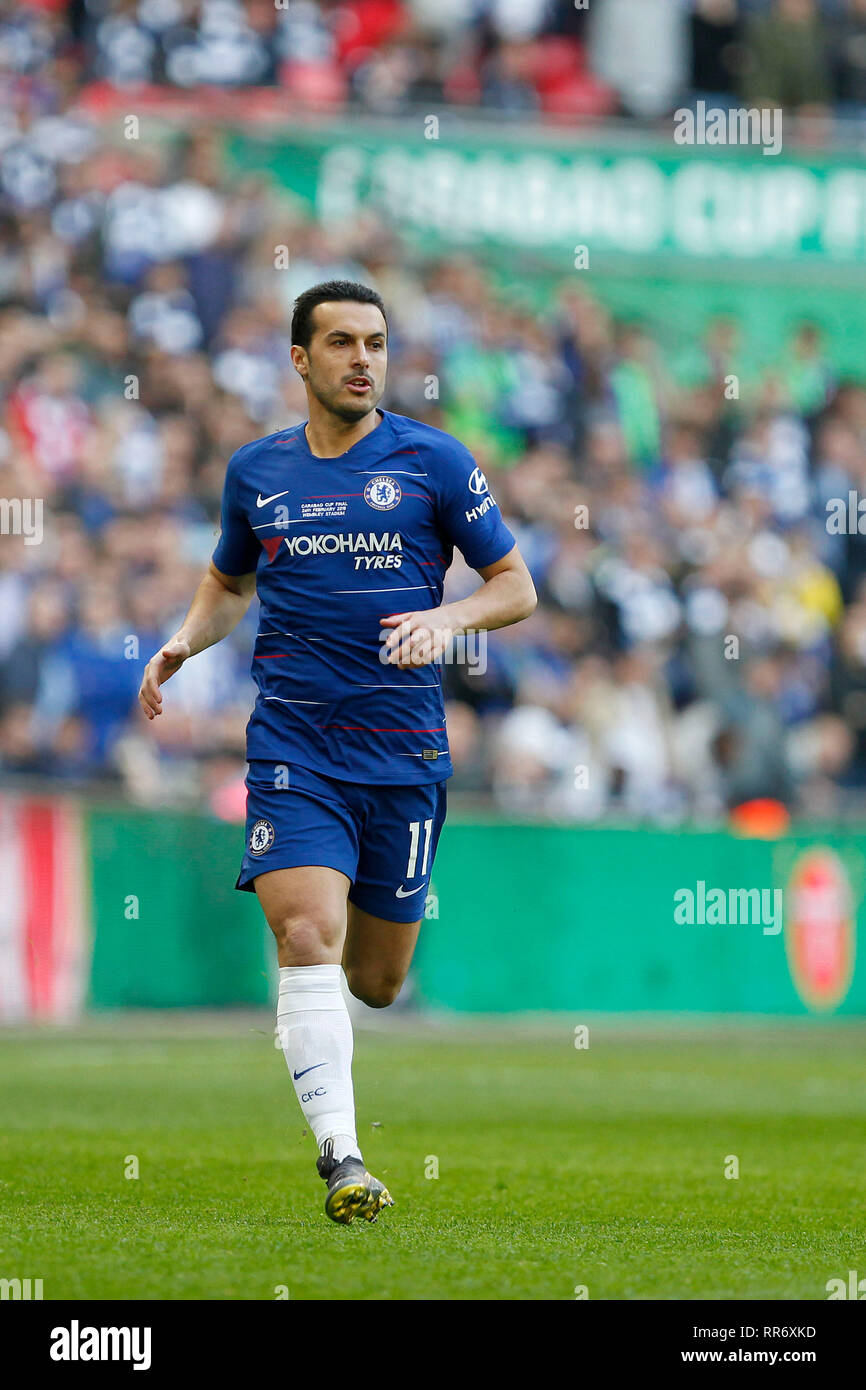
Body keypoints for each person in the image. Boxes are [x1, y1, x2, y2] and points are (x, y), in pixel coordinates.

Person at [138, 280, 536, 1223]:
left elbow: (514, 585)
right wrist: (185, 642)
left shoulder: (434, 462)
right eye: (344, 343)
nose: (364, 358)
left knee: (377, 982)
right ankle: (343, 1159)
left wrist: (448, 620)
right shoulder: (257, 472)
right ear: (300, 359)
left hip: (403, 757)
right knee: (305, 934)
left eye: (378, 343)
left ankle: (345, 1010)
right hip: (294, 747)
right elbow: (229, 580)